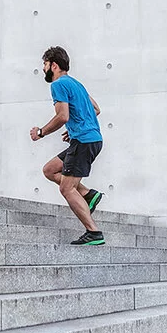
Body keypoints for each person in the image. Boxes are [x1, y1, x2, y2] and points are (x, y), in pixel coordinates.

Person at [29, 46, 105, 245]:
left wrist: (41, 132)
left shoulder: (58, 85)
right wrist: (76, 127)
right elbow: (96, 109)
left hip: (84, 141)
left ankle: (93, 232)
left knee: (66, 189)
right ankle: (89, 195)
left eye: (45, 64)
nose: (44, 69)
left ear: (53, 65)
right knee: (50, 170)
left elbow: (62, 116)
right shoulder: (76, 84)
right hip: (88, 139)